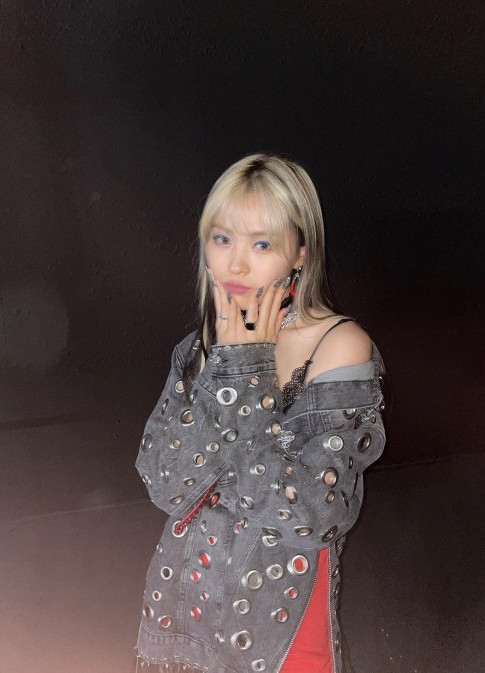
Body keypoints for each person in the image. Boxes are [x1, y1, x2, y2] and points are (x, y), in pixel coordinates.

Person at [135, 154, 386, 673]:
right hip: (187, 609)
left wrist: (245, 371)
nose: (236, 264)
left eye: (262, 244)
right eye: (222, 238)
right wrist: (230, 362)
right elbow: (165, 486)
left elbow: (313, 515)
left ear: (300, 253)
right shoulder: (202, 346)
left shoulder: (339, 346)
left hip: (277, 627)